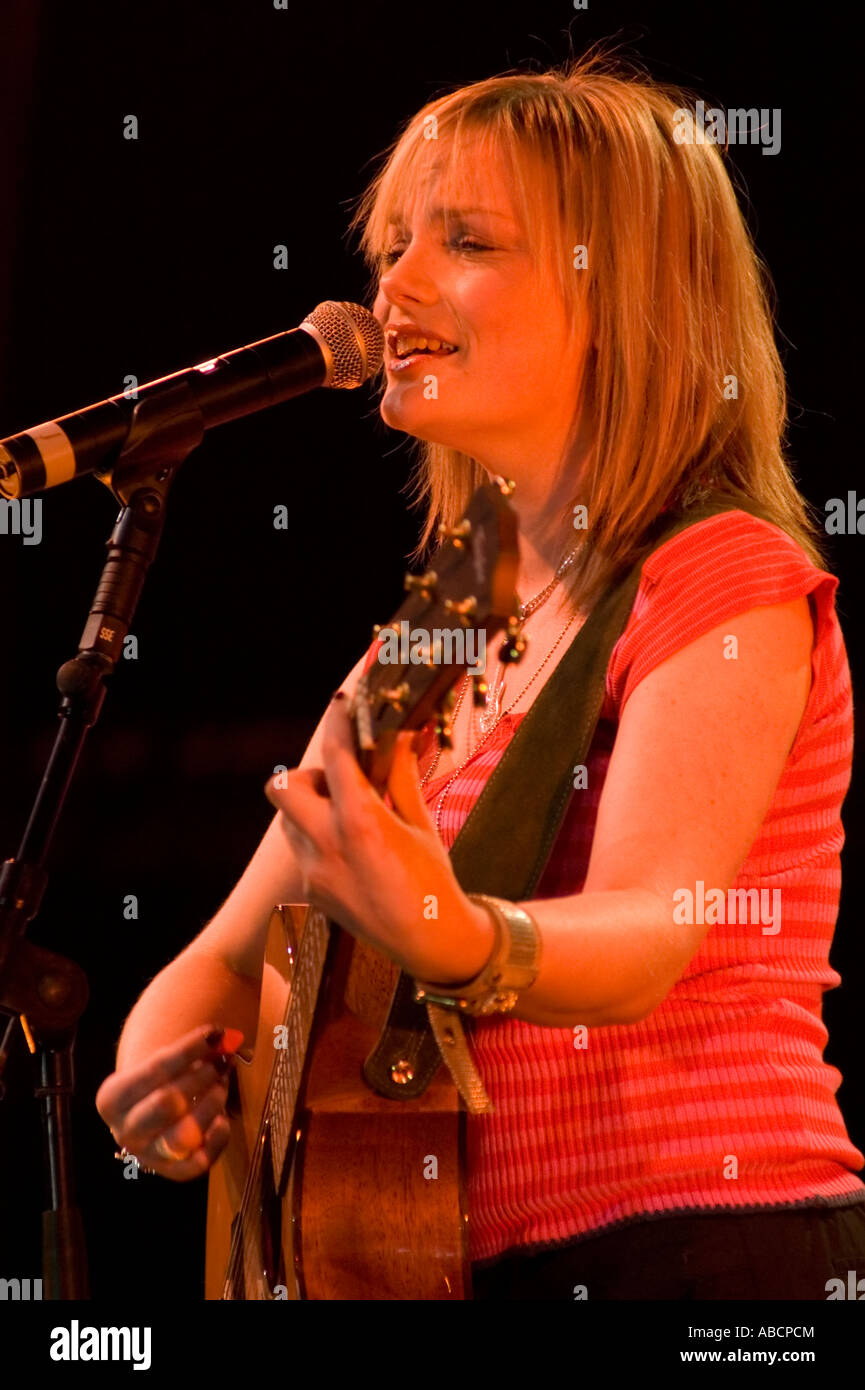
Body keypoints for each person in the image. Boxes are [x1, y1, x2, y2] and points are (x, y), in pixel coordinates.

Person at [96, 50, 865, 1300]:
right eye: (392, 245)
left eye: (465, 242)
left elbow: (650, 926)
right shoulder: (427, 639)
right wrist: (154, 1069)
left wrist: (455, 936)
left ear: (625, 296)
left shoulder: (720, 572)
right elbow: (222, 959)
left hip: (694, 1248)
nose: (391, 286)